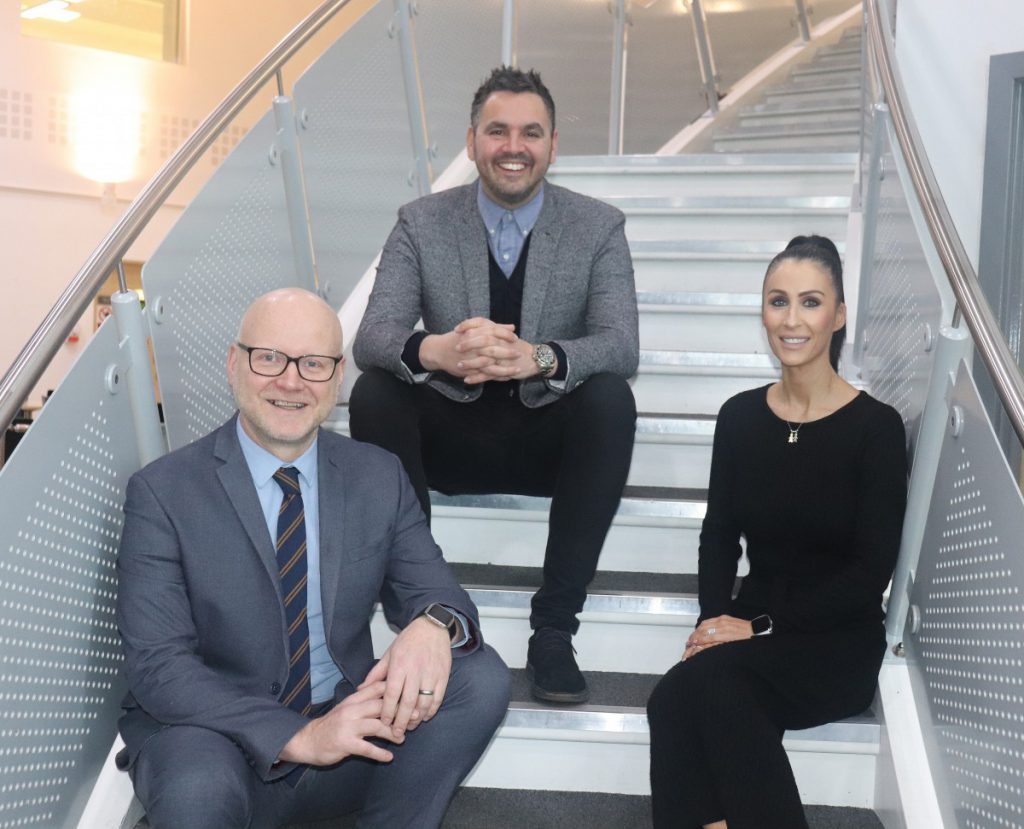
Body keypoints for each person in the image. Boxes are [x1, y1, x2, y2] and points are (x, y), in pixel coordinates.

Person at [115, 288, 510, 829]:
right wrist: (298, 737)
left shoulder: (377, 475)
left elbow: (438, 591)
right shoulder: (163, 492)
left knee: (479, 677)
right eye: (270, 357)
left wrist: (432, 624)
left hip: (348, 731)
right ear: (234, 363)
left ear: (338, 377)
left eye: (315, 363)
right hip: (219, 739)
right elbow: (158, 667)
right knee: (196, 790)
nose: (292, 380)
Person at [349, 66, 639, 704]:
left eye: (531, 132)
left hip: (547, 440)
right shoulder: (420, 222)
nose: (515, 146)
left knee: (611, 396)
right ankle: (425, 610)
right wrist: (440, 350)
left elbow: (621, 344)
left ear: (553, 145)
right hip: (453, 434)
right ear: (474, 140)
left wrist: (540, 357)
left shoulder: (599, 227)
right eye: (498, 131)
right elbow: (371, 335)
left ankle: (554, 630)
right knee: (375, 390)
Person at [646, 236, 908, 829]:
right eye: (777, 301)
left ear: (839, 316)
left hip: (836, 640)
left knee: (711, 691)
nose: (792, 320)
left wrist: (757, 625)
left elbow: (870, 573)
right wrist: (711, 622)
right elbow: (718, 536)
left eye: (811, 302)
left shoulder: (876, 430)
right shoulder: (739, 416)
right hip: (751, 628)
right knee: (674, 697)